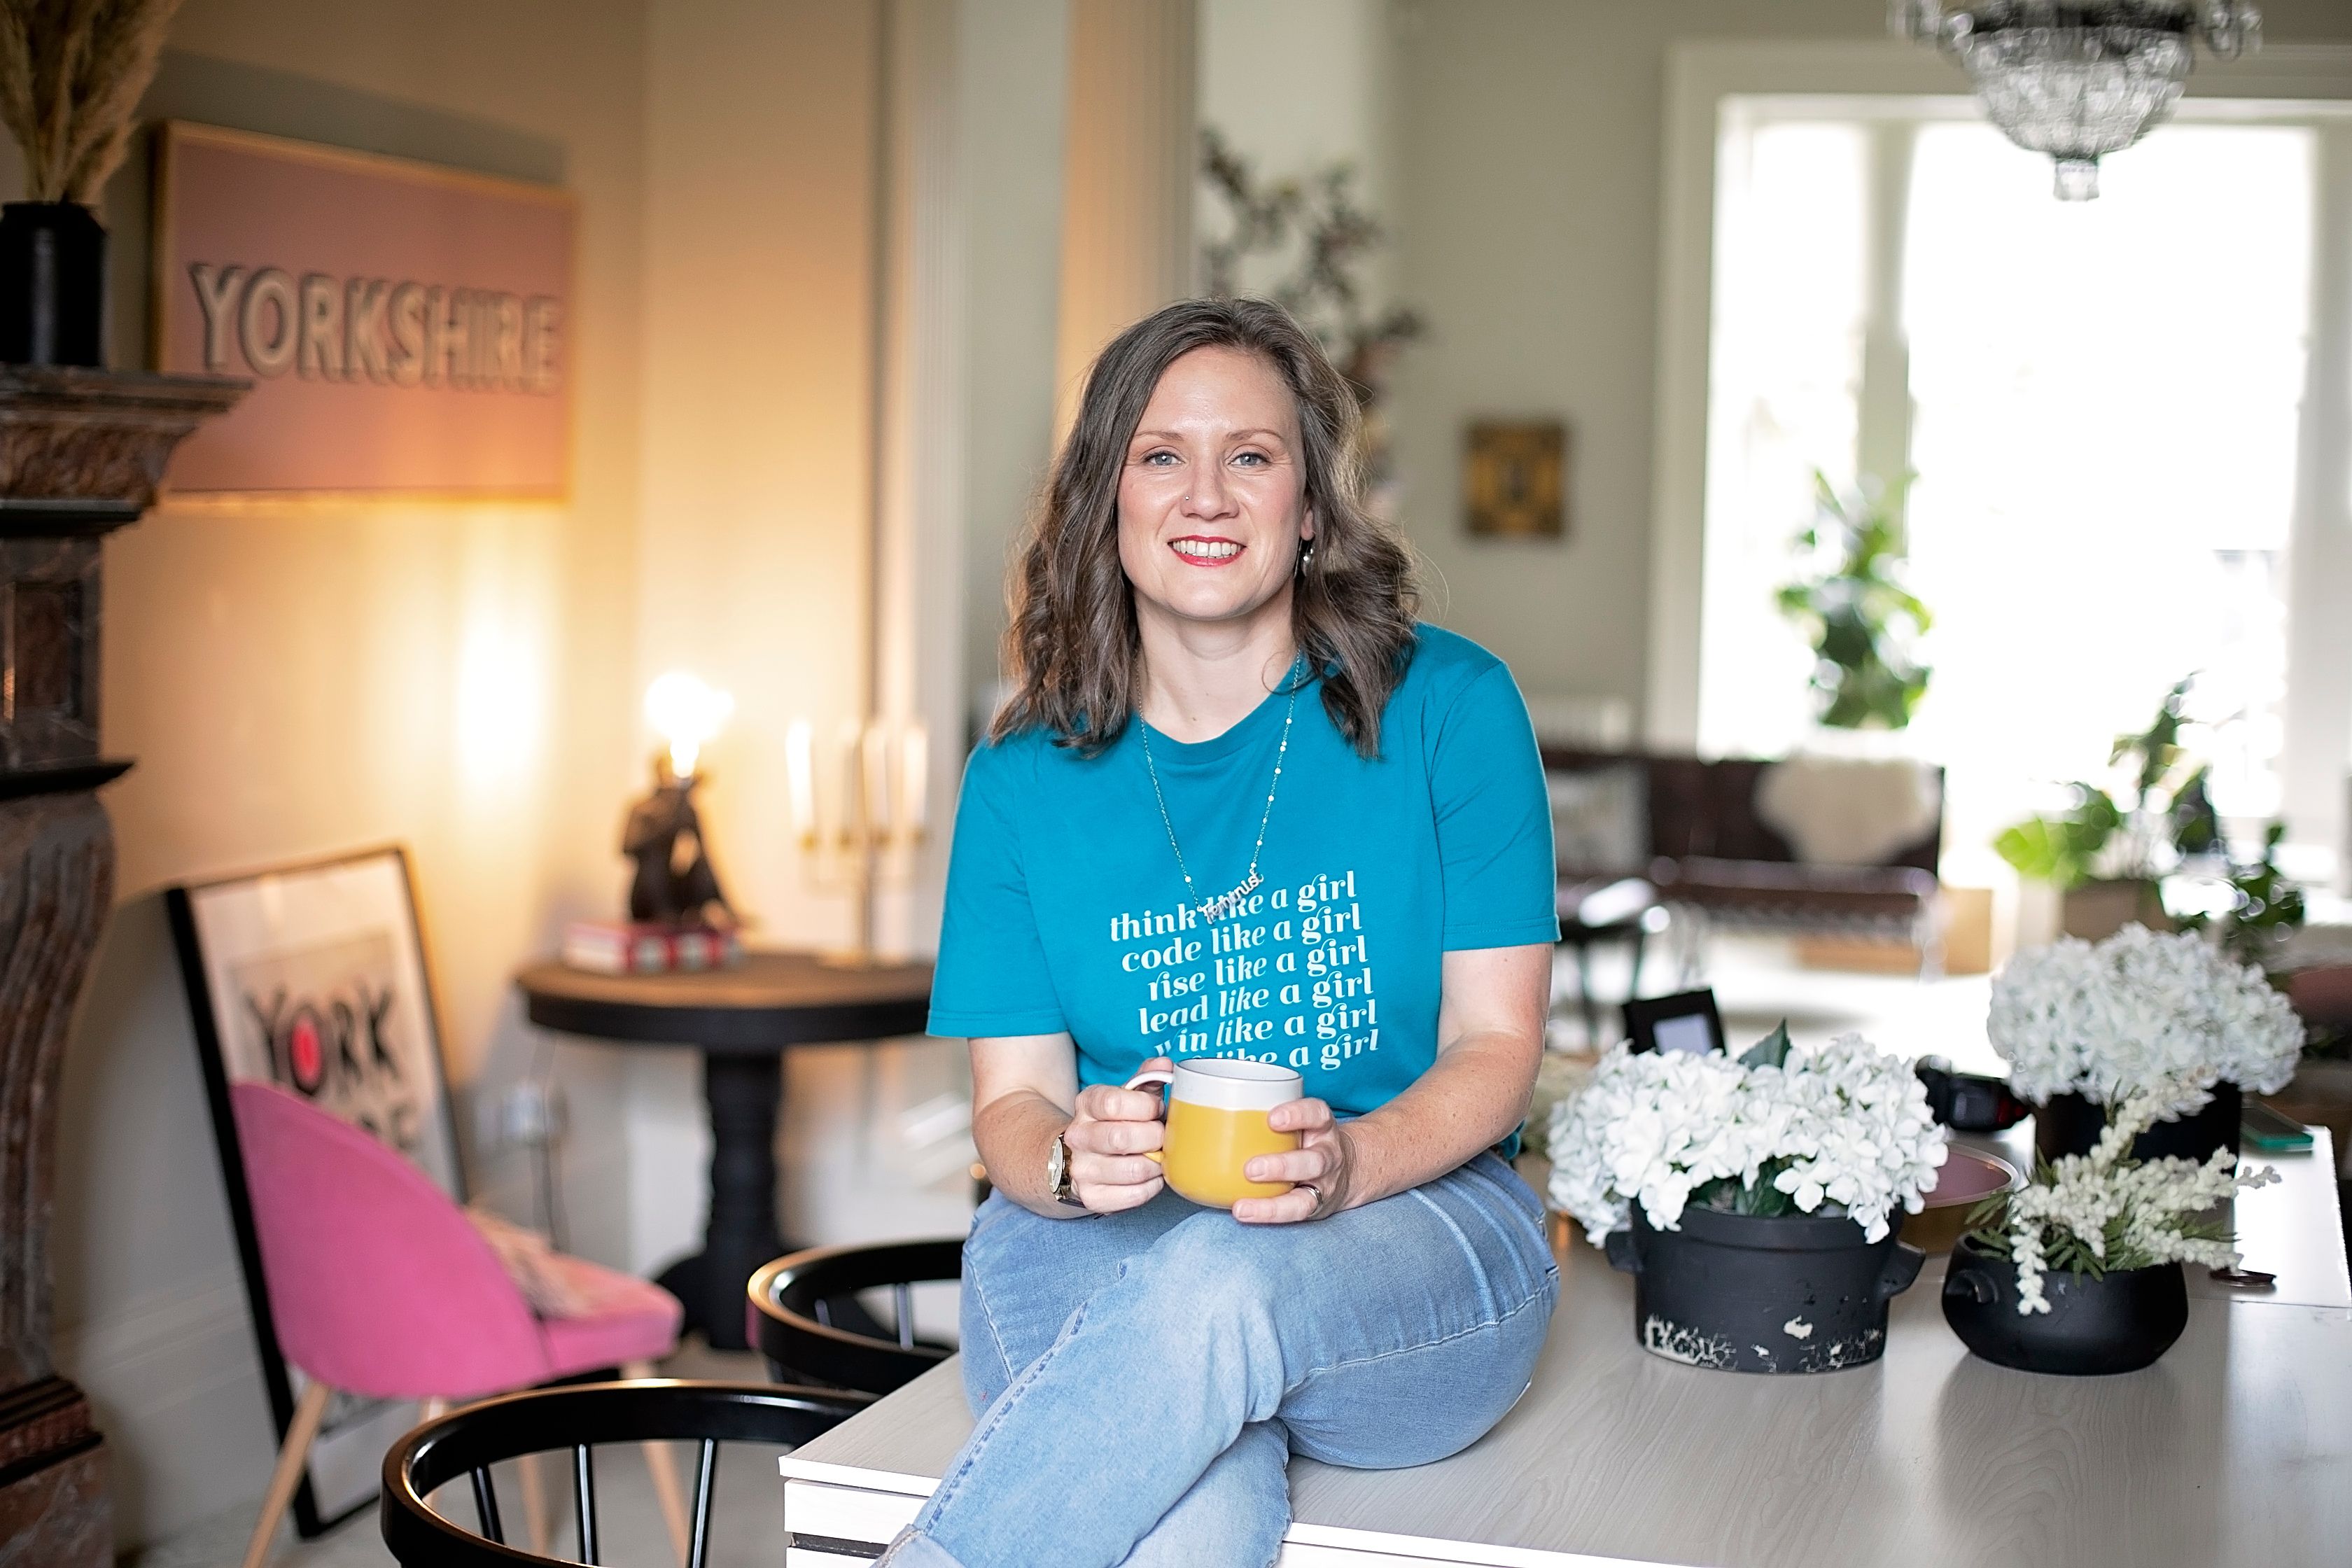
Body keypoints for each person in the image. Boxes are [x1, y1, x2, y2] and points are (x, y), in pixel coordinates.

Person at [885, 298, 1559, 1568]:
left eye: (1250, 456)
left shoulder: (1450, 709)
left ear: (1310, 507)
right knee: (1191, 1466)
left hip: (1414, 1239)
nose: (1206, 494)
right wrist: (1078, 1164)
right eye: (1160, 456)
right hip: (1095, 1246)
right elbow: (1015, 1107)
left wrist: (1349, 1163)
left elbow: (1495, 1044)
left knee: (1214, 1293)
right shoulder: (1023, 778)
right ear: (1108, 501)